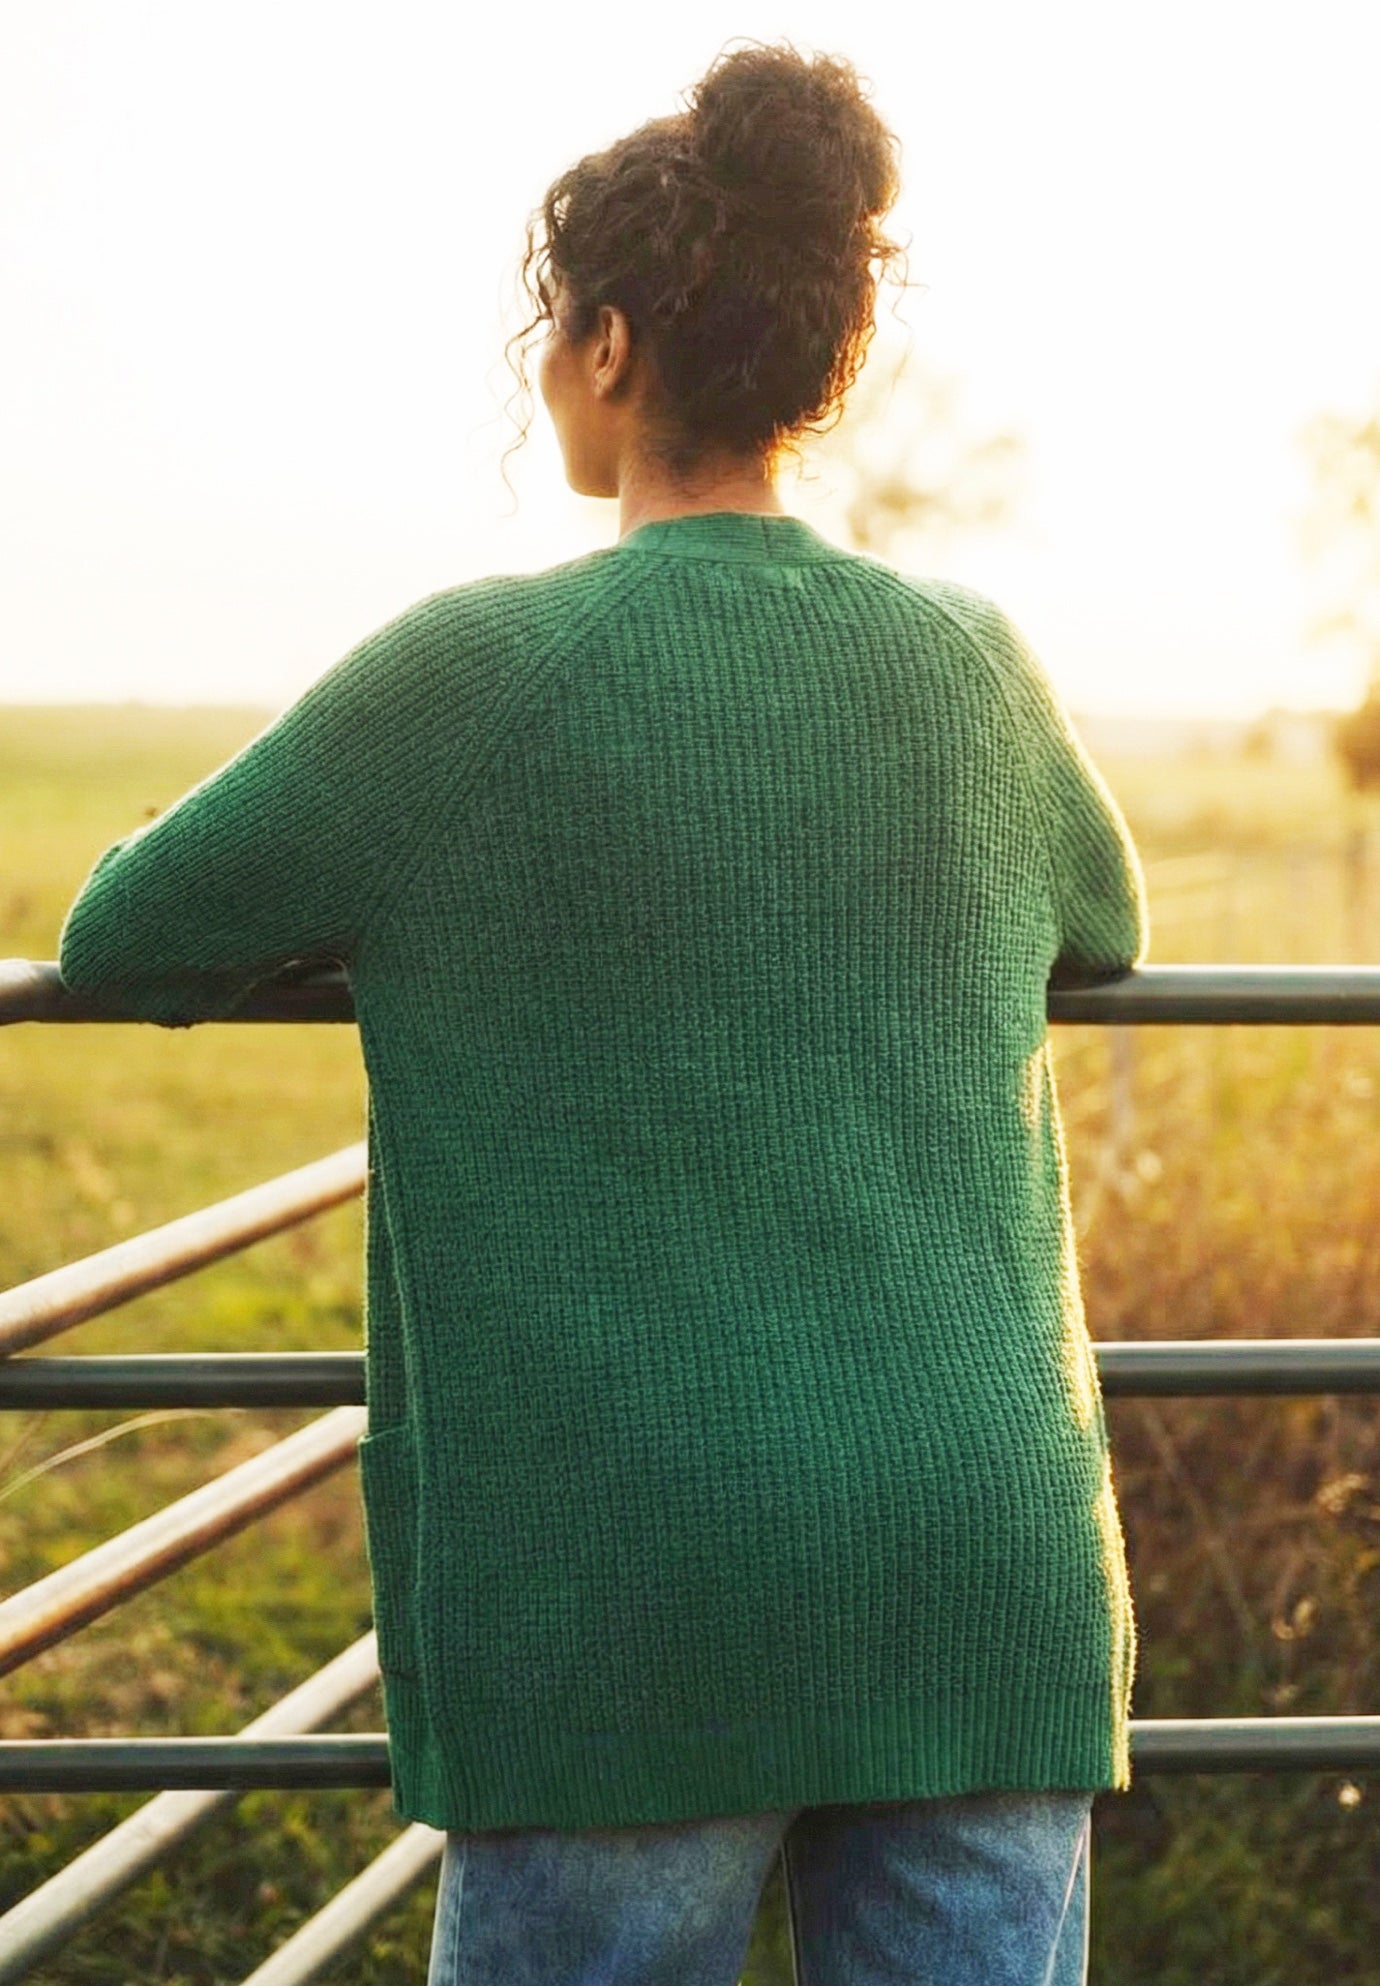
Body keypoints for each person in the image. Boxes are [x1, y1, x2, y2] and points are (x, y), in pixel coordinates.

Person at [56, 36, 1149, 1986]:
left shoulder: (465, 676)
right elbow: (1109, 917)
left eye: (553, 324)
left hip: (628, 1598)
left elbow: (129, 932)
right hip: (978, 1566)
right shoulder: (975, 663)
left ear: (617, 349)